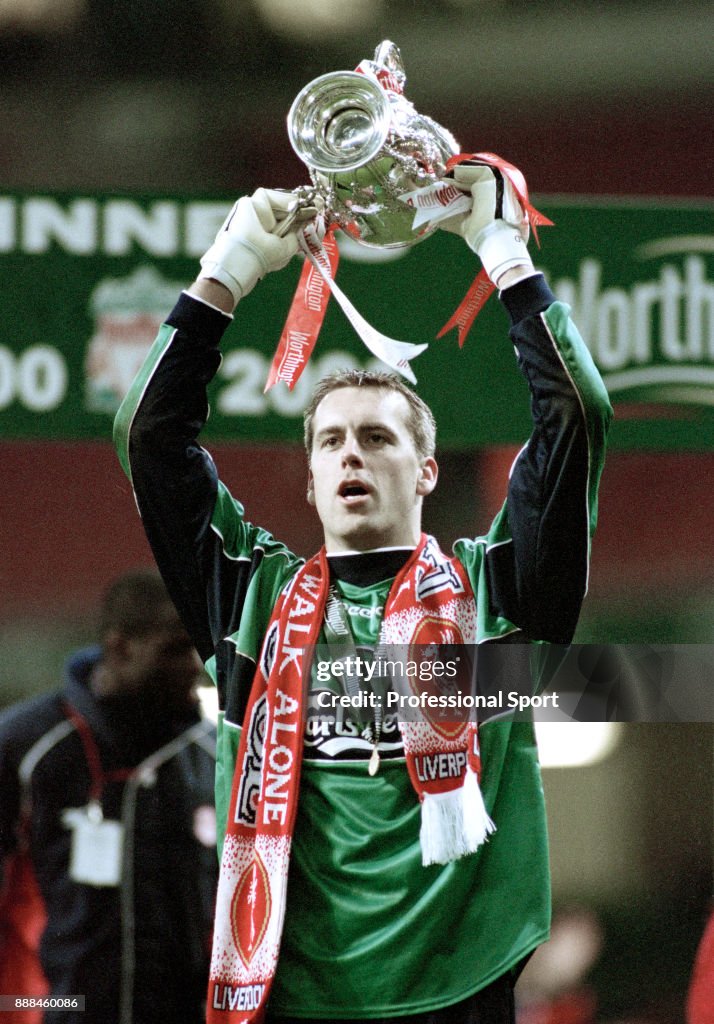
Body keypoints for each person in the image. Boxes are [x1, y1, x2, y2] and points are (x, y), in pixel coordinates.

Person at [113, 162, 612, 1024]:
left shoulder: (500, 594)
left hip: (464, 983)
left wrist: (501, 247)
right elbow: (151, 437)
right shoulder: (249, 597)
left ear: (424, 469)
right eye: (331, 440)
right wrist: (227, 271)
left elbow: (575, 417)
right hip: (293, 986)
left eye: (376, 437)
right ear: (308, 482)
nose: (351, 454)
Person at [0, 570, 218, 1024]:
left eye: (200, 646)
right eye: (176, 648)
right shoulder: (27, 746)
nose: (197, 664)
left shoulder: (214, 754)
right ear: (121, 647)